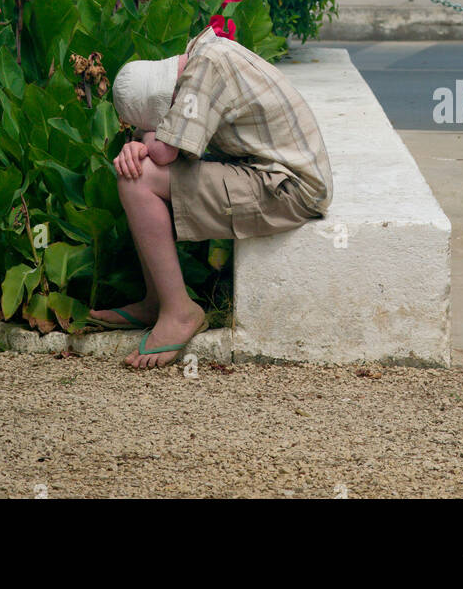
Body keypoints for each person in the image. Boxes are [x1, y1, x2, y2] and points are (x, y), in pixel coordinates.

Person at [87, 24, 333, 369]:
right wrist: (144, 140)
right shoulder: (203, 54)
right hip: (277, 175)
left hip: (289, 189)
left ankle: (179, 312)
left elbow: (166, 153)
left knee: (136, 179)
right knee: (138, 171)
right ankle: (156, 301)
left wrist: (140, 145)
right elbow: (162, 142)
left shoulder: (205, 69)